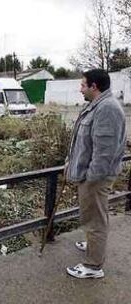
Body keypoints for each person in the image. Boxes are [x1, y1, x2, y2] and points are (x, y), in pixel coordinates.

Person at [65, 69, 126, 279]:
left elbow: (104, 152)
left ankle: (93, 266)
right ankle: (93, 246)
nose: (80, 88)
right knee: (93, 216)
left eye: (83, 85)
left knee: (95, 219)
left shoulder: (107, 108)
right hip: (91, 176)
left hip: (96, 178)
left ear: (94, 87)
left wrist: (91, 178)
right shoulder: (96, 105)